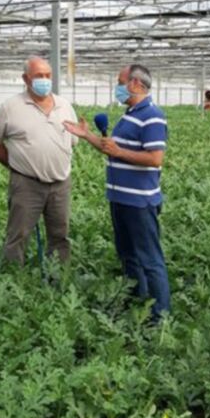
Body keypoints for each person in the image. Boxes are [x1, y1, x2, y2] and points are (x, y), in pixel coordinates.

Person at [64, 64, 171, 322]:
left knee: (150, 259)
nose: (118, 87)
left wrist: (120, 152)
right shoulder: (129, 114)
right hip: (120, 199)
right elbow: (110, 148)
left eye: (120, 81)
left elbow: (155, 158)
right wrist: (87, 135)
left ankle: (160, 317)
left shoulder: (153, 115)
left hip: (139, 201)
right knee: (128, 256)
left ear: (135, 84)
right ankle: (138, 303)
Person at [0, 57, 78, 266]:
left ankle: (58, 275)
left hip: (61, 182)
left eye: (48, 76)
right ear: (26, 79)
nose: (44, 80)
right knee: (18, 234)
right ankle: (14, 277)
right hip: (26, 183)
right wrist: (13, 163)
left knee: (60, 234)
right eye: (39, 76)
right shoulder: (11, 107)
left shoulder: (64, 105)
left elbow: (73, 141)